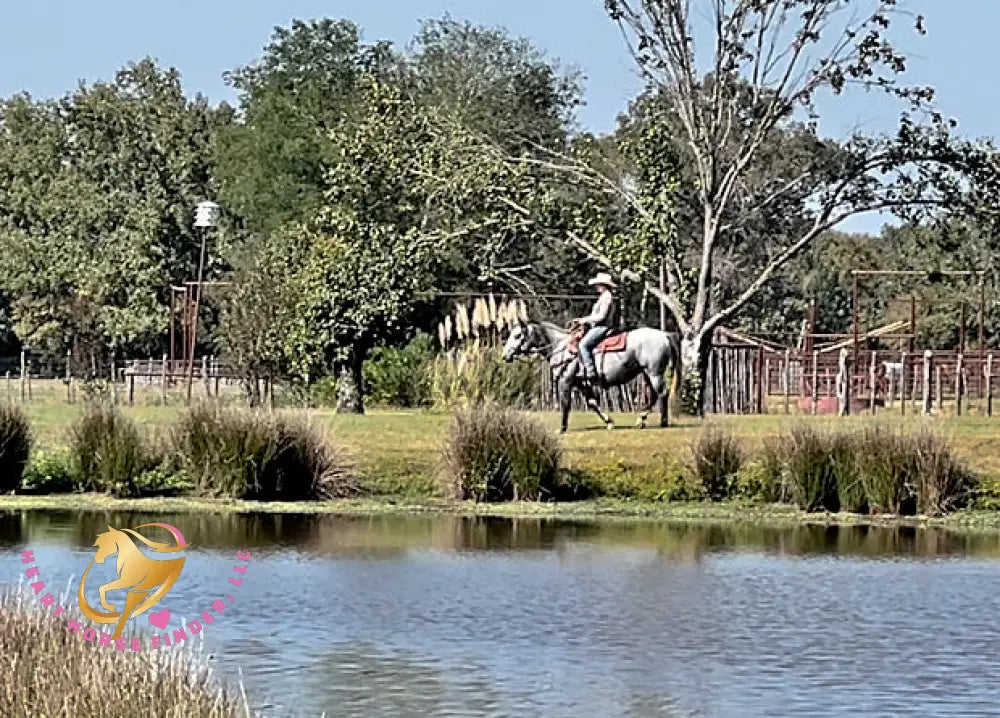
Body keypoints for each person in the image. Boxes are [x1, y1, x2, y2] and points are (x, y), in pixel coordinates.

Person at [575, 272, 619, 382]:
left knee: (583, 345)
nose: (596, 286)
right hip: (599, 325)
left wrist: (585, 320)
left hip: (603, 326)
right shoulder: (604, 296)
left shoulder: (607, 297)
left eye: (598, 284)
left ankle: (590, 370)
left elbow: (601, 316)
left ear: (604, 285)